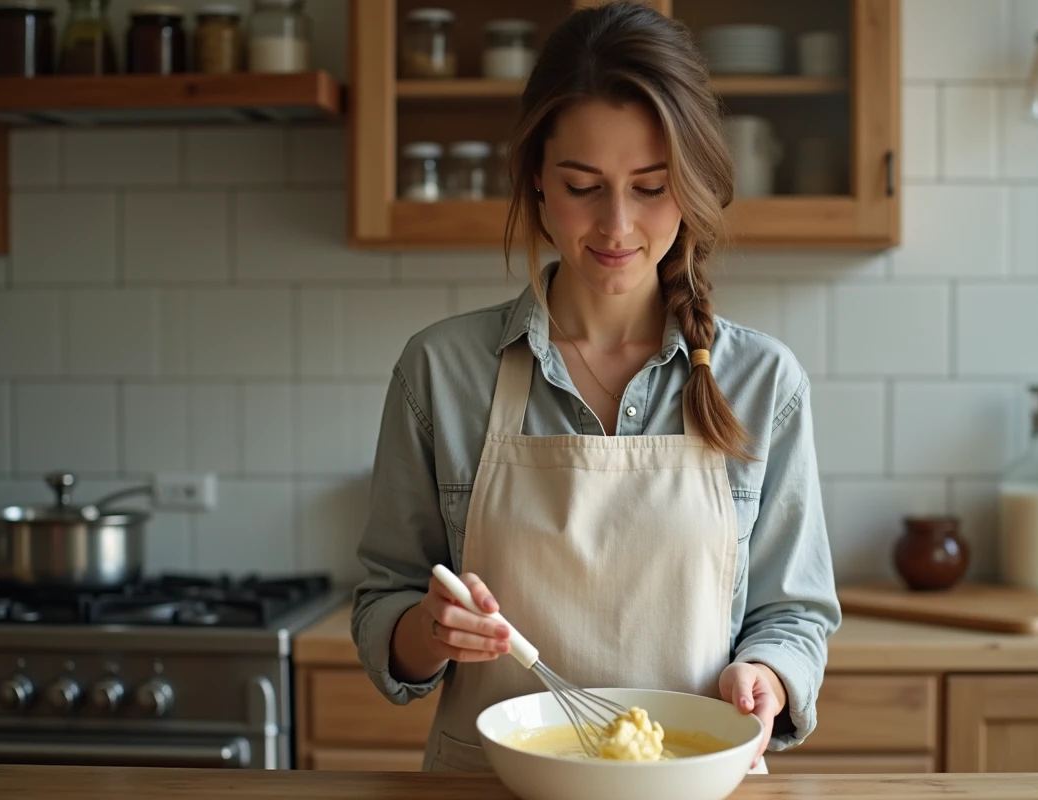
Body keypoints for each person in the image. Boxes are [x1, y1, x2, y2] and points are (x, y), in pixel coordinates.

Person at [351, 0, 841, 774]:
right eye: (584, 185)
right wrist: (426, 629)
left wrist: (768, 676)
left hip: (688, 785)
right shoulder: (441, 371)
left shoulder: (762, 382)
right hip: (487, 790)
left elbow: (792, 613)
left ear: (691, 187)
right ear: (538, 183)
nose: (617, 225)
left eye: (650, 188)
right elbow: (386, 605)